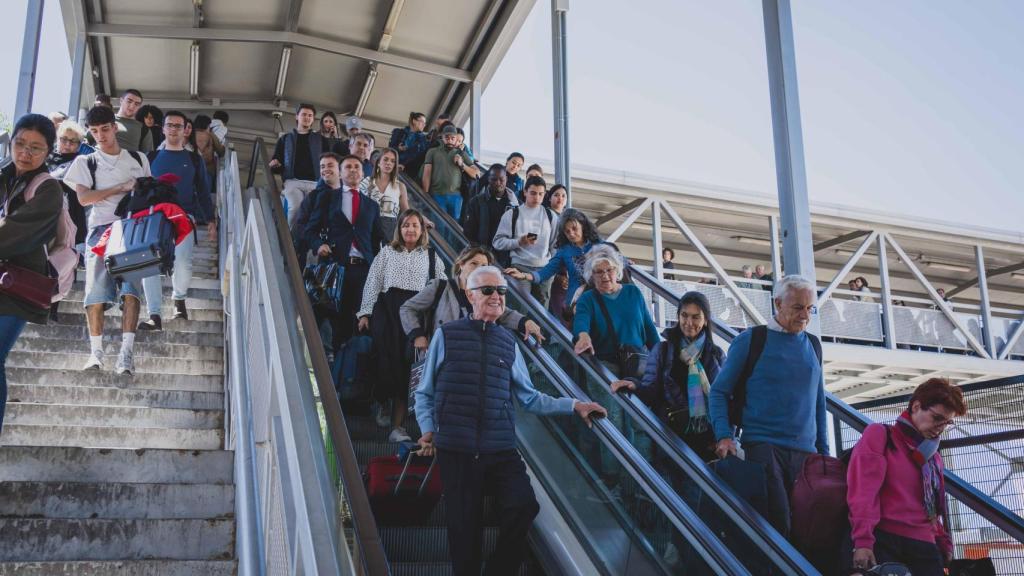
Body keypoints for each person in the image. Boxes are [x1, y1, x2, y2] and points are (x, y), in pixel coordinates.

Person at [414, 265, 607, 576]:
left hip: (500, 446)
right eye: (488, 290)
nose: (496, 296)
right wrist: (427, 430)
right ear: (470, 295)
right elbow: (424, 392)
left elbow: (530, 397)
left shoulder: (509, 343)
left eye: (501, 291)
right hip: (457, 448)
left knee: (523, 506)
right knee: (465, 532)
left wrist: (574, 405)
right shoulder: (446, 335)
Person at [709, 274, 829, 540]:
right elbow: (719, 391)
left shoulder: (814, 346)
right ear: (777, 303)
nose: (805, 316)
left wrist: (825, 455)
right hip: (763, 449)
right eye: (798, 307)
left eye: (810, 308)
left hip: (806, 455)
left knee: (806, 531)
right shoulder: (752, 340)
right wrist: (724, 436)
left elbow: (818, 403)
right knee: (778, 528)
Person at [64, 105, 152, 375]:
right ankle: (96, 353)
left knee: (131, 292)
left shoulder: (138, 159)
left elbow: (150, 194)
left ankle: (126, 354)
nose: (100, 135)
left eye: (105, 129)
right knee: (94, 294)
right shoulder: (85, 161)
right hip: (100, 230)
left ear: (115, 127)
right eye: (94, 131)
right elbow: (83, 199)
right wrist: (120, 188)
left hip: (132, 230)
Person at [845, 378, 964, 575]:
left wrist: (942, 539)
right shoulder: (881, 436)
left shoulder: (932, 456)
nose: (940, 427)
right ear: (916, 406)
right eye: (937, 418)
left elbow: (931, 507)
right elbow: (863, 492)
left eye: (947, 422)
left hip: (925, 546)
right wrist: (863, 541)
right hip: (886, 541)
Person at [356, 209, 446, 442]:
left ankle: (398, 427)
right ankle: (382, 403)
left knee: (407, 369)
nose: (410, 229)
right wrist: (364, 313)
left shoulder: (432, 257)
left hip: (416, 317)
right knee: (385, 362)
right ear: (399, 228)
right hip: (387, 313)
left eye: (415, 225)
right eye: (406, 225)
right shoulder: (386, 253)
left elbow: (444, 288)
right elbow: (373, 283)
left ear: (422, 229)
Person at [0, 114, 63, 433]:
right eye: (20, 144)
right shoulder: (3, 176)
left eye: (36, 148)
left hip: (17, 287)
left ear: (49, 151)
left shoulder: (48, 188)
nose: (25, 152)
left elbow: (16, 234)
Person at [301, 153, 387, 351]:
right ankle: (333, 364)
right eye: (348, 167)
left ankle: (351, 368)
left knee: (360, 319)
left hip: (363, 270)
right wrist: (318, 245)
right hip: (335, 267)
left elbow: (377, 239)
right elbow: (310, 230)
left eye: (357, 167)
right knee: (333, 319)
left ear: (363, 173)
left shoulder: (372, 205)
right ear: (340, 172)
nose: (353, 170)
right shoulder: (327, 197)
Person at [140, 110, 216, 330]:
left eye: (178, 126)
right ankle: (154, 314)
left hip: (184, 215)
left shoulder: (193, 159)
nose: (173, 129)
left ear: (186, 130)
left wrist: (210, 220)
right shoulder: (150, 157)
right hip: (154, 216)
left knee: (183, 261)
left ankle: (179, 300)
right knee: (150, 264)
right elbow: (140, 188)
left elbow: (203, 190)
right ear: (163, 129)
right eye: (169, 125)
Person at [401, 246, 544, 354]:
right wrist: (417, 335)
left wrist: (525, 321)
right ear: (461, 264)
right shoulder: (441, 287)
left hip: (472, 356)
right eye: (473, 263)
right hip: (441, 356)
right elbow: (407, 308)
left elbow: (502, 311)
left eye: (483, 266)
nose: (478, 269)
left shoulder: (484, 291)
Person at [572, 245, 659, 378]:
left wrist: (661, 356)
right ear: (591, 275)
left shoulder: (633, 292)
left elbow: (649, 328)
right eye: (599, 272)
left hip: (639, 363)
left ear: (617, 270)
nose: (605, 276)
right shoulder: (587, 298)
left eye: (609, 270)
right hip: (607, 367)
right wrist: (583, 336)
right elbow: (581, 322)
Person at [507, 208, 602, 316]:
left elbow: (618, 264)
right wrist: (523, 275)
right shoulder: (564, 251)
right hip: (577, 303)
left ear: (583, 225)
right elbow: (545, 272)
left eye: (574, 228)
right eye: (567, 231)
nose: (571, 234)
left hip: (601, 295)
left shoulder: (600, 245)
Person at [493, 175, 556, 306]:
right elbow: (497, 242)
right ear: (525, 192)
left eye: (540, 194)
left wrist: (552, 267)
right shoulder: (512, 214)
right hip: (519, 265)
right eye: (533, 193)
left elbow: (555, 244)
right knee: (521, 306)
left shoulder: (550, 215)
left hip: (544, 268)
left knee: (542, 311)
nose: (537, 197)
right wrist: (518, 242)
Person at [270, 103, 329, 229]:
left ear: (313, 119)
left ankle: (307, 242)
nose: (307, 117)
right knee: (296, 207)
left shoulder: (321, 140)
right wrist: (274, 165)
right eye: (304, 114)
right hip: (292, 181)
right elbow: (276, 162)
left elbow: (328, 161)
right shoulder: (285, 139)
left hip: (315, 183)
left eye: (310, 115)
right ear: (297, 116)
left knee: (313, 213)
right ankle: (292, 240)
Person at [46, 120, 89, 249]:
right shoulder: (45, 158)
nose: (67, 144)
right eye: (64, 139)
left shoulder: (81, 162)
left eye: (73, 141)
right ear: (57, 139)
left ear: (79, 144)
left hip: (69, 213)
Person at [421, 124, 478, 221]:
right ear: (442, 137)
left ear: (456, 139)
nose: (450, 140)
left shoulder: (462, 154)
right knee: (439, 225)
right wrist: (426, 195)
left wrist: (462, 164)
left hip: (456, 196)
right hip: (436, 194)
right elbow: (427, 173)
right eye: (447, 137)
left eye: (453, 138)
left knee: (454, 226)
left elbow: (476, 173)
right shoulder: (432, 152)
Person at [463, 164, 518, 265]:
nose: (498, 183)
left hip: (506, 259)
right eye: (494, 179)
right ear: (488, 179)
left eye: (501, 179)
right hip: (483, 257)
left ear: (506, 179)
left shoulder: (515, 205)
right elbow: (469, 232)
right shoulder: (476, 202)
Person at [360, 148, 409, 241]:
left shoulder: (400, 186)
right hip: (368, 228)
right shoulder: (366, 182)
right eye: (385, 159)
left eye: (393, 161)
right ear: (378, 162)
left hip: (390, 231)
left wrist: (421, 219)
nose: (389, 163)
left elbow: (406, 210)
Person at [389, 111, 429, 176]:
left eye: (425, 123)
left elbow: (420, 157)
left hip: (409, 172)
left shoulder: (424, 139)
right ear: (414, 121)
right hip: (393, 167)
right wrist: (398, 148)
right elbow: (389, 150)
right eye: (422, 122)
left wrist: (405, 165)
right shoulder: (399, 133)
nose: (424, 125)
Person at [192, 114, 224, 193]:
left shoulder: (189, 134)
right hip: (207, 169)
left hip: (191, 168)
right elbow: (221, 151)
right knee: (206, 193)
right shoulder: (210, 135)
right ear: (207, 125)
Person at [114, 89, 153, 153]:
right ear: (121, 100)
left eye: (136, 104)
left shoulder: (143, 129)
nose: (132, 106)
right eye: (129, 101)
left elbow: (148, 157)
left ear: (139, 107)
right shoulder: (104, 119)